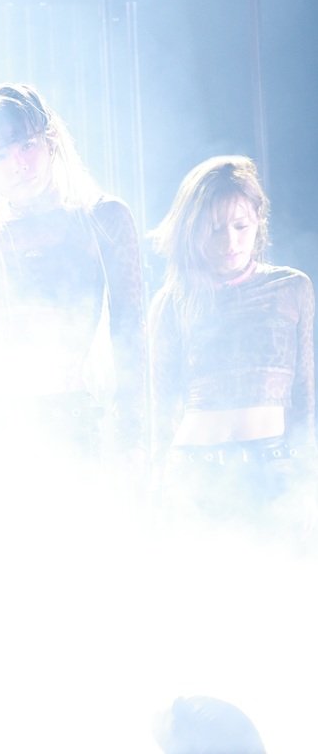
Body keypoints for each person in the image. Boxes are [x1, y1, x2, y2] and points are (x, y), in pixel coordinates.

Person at [0, 83, 146, 466]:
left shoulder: (102, 218)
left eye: (26, 146)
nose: (18, 164)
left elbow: (131, 333)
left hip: (70, 421)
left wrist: (134, 435)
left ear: (51, 140)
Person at [148, 155, 314, 533]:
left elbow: (305, 394)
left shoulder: (292, 287)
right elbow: (162, 404)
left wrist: (308, 477)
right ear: (193, 232)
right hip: (194, 474)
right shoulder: (172, 302)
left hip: (273, 469)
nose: (231, 242)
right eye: (214, 229)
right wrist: (159, 483)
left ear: (258, 220)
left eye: (241, 226)